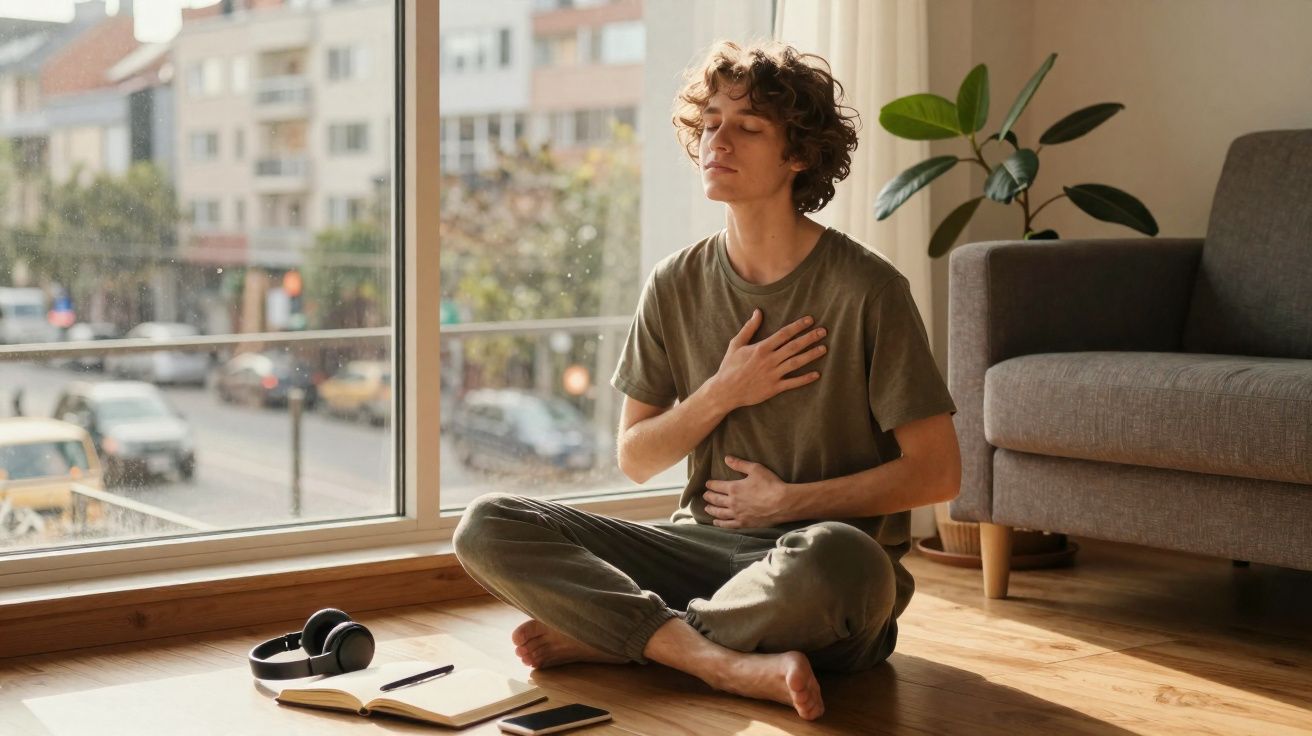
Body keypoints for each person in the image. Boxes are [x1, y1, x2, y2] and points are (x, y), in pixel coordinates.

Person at [454, 39, 961, 721]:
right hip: (696, 549)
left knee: (849, 559)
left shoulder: (868, 290)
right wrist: (724, 391)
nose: (717, 139)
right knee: (487, 524)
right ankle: (712, 658)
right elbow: (636, 457)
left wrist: (787, 504)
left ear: (799, 155)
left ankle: (631, 638)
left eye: (747, 127)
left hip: (814, 571)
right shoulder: (674, 283)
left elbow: (938, 473)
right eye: (711, 121)